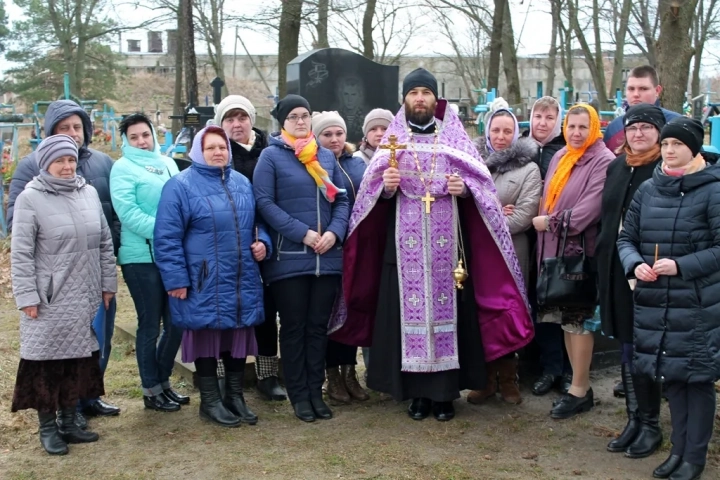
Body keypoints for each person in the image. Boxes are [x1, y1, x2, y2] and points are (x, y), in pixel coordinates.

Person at [329, 68, 533, 422]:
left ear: (435, 100)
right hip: (402, 251)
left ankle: (444, 395)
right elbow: (367, 201)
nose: (419, 98)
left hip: (447, 250)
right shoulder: (392, 142)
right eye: (413, 93)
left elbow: (481, 186)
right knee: (405, 317)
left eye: (426, 93)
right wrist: (386, 187)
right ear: (404, 101)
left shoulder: (454, 139)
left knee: (449, 315)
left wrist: (465, 190)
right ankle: (416, 394)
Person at [7, 100, 121, 426]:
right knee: (51, 354)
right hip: (55, 285)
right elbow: (21, 239)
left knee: (92, 345)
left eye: (77, 128)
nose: (73, 135)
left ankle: (86, 401)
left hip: (90, 278)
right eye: (64, 129)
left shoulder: (97, 168)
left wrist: (107, 274)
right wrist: (28, 293)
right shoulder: (32, 181)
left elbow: (106, 224)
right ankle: (52, 421)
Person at [617, 118, 720, 480]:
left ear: (693, 148)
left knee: (698, 379)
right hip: (655, 300)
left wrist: (680, 266)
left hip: (697, 302)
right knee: (673, 376)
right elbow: (625, 238)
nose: (670, 150)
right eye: (666, 144)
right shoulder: (649, 189)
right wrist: (635, 265)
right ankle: (678, 450)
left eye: (677, 144)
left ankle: (695, 456)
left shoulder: (713, 190)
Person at [154, 126, 271, 428]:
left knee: (237, 333)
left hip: (240, 276)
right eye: (211, 148)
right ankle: (210, 400)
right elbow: (166, 237)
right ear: (198, 152)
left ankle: (234, 396)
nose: (218, 152)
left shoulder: (243, 183)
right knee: (206, 335)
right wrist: (176, 279)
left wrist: (263, 243)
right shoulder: (180, 186)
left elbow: (258, 223)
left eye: (222, 147)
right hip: (203, 278)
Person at [253, 95, 349, 423]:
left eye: (305, 115)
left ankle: (315, 389)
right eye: (293, 116)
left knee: (317, 328)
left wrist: (334, 233)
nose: (300, 121)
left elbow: (342, 201)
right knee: (294, 327)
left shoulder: (324, 156)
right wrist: (303, 234)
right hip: (290, 258)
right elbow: (264, 203)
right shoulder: (271, 156)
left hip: (327, 258)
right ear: (283, 122)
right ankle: (299, 395)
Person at [532, 104, 614, 419]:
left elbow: (587, 212)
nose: (577, 133)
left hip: (579, 254)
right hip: (553, 251)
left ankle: (580, 389)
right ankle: (577, 387)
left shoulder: (601, 161)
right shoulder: (561, 156)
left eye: (583, 127)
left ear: (594, 127)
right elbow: (546, 196)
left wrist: (549, 223)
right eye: (572, 126)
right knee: (566, 323)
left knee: (578, 323)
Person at [596, 104, 666, 458]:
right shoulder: (617, 166)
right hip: (615, 270)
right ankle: (634, 419)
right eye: (633, 127)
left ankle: (651, 424)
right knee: (626, 344)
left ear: (659, 131)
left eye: (646, 128)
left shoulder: (664, 169)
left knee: (645, 349)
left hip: (648, 273)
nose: (638, 134)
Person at [110, 113, 187, 412]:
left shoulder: (167, 163)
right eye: (134, 137)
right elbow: (128, 213)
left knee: (176, 322)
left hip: (170, 255)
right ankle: (150, 389)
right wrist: (168, 230)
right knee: (150, 324)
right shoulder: (122, 168)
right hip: (140, 257)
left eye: (145, 135)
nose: (142, 141)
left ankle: (163, 381)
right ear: (126, 141)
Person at [214, 95, 287, 402]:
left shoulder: (270, 151)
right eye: (229, 119)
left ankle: (267, 374)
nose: (236, 124)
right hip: (226, 246)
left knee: (267, 309)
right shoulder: (216, 153)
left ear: (251, 119)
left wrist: (265, 239)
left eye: (241, 117)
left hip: (265, 241)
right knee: (225, 310)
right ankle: (222, 375)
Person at [469, 108, 542, 405]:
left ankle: (509, 377)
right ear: (487, 131)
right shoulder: (473, 164)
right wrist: (496, 214)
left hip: (512, 249)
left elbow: (525, 214)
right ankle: (486, 378)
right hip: (479, 251)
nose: (500, 137)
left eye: (507, 131)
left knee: (509, 310)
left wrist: (492, 220)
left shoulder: (529, 170)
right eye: (496, 130)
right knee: (481, 312)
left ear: (516, 134)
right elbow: (465, 207)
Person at [312, 110, 369, 404]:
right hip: (328, 247)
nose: (334, 140)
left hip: (357, 248)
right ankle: (331, 375)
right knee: (329, 313)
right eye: (327, 134)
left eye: (339, 134)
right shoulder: (313, 163)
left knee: (351, 313)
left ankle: (350, 373)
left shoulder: (356, 162)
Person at [523, 96, 572, 397]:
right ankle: (545, 365)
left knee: (559, 302)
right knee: (535, 301)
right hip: (525, 238)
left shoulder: (565, 151)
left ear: (558, 121)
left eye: (549, 118)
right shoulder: (521, 149)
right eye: (538, 117)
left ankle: (565, 369)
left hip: (557, 237)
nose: (542, 123)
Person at [604, 65, 681, 153]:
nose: (636, 94)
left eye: (643, 89)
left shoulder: (677, 123)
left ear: (657, 91)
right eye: (631, 89)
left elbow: (697, 161)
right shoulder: (614, 128)